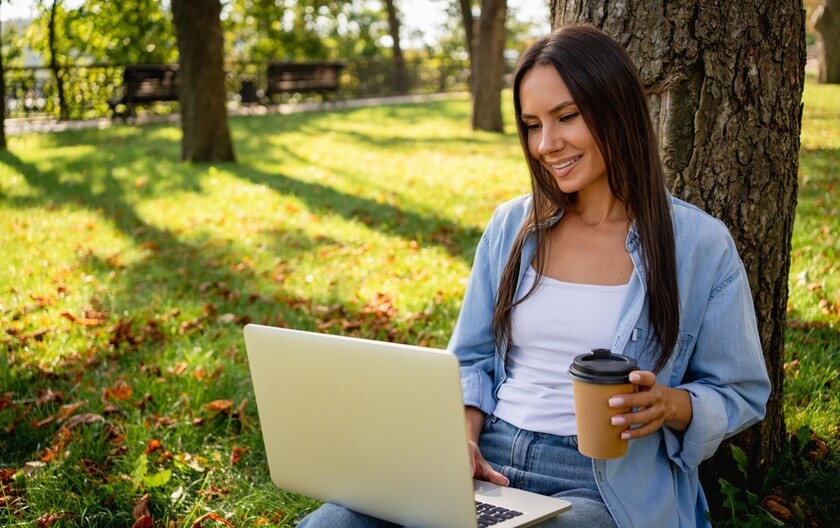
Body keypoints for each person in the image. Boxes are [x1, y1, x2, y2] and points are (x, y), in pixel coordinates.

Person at [298, 23, 771, 528]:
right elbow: (472, 359)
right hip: (491, 457)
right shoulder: (512, 227)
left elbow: (740, 390)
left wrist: (669, 405)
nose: (546, 144)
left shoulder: (698, 244)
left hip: (602, 480)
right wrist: (463, 441)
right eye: (531, 124)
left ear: (617, 109)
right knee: (334, 523)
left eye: (566, 116)